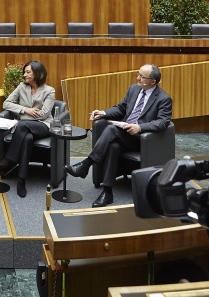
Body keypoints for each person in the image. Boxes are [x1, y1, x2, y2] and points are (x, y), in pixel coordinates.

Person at [65, 63, 172, 207]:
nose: (137, 78)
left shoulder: (164, 98)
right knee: (113, 146)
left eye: (141, 76)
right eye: (138, 74)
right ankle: (107, 192)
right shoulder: (134, 89)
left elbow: (163, 123)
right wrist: (103, 113)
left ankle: (86, 164)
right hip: (124, 134)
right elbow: (121, 109)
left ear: (152, 82)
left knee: (111, 130)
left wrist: (140, 127)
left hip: (143, 140)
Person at [0, 61, 55, 198]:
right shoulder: (22, 87)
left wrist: (22, 117)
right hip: (25, 128)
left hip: (43, 125)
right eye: (25, 72)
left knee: (22, 125)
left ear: (38, 74)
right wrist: (25, 109)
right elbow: (6, 104)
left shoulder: (49, 91)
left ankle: (7, 161)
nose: (24, 75)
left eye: (28, 72)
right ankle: (21, 180)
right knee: (27, 138)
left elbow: (44, 114)